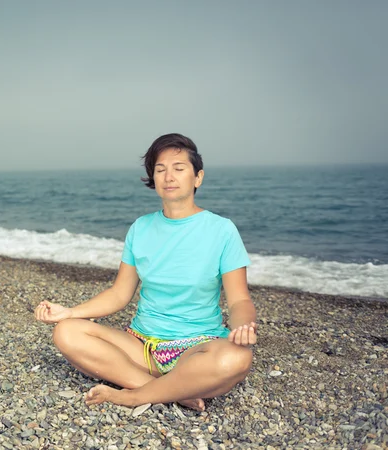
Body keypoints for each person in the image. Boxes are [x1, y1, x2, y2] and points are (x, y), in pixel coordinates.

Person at [34, 133, 257, 410]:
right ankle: (173, 391)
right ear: (153, 179)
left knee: (236, 359)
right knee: (66, 332)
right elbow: (119, 293)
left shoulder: (222, 230)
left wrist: (243, 328)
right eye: (160, 169)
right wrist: (68, 312)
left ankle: (135, 394)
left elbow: (239, 300)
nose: (168, 177)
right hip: (142, 347)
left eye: (179, 168)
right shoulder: (141, 227)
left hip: (197, 348)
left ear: (197, 177)